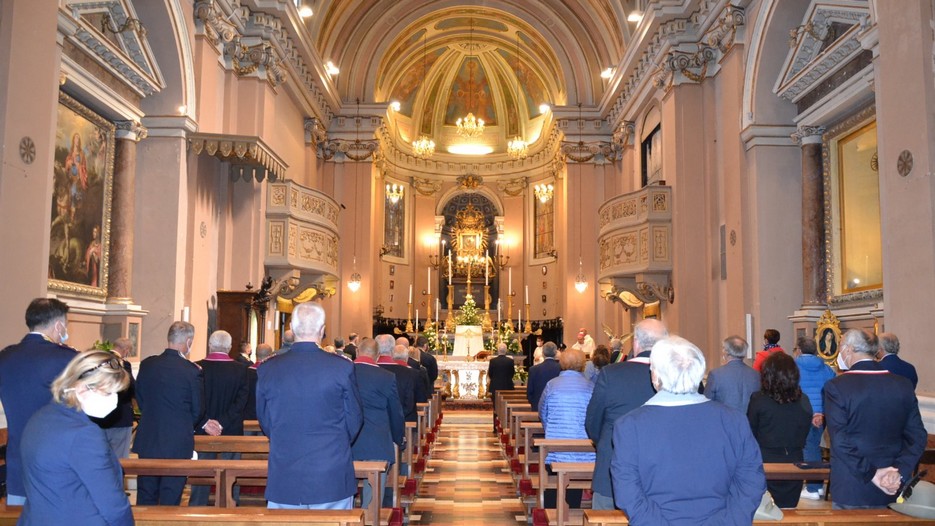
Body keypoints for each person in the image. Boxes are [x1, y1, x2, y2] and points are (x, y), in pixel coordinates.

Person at [612, 336, 766, 524]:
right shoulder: (734, 421)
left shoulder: (629, 425)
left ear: (655, 376)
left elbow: (627, 491)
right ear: (700, 373)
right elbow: (751, 483)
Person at [258, 302, 363, 509]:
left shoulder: (268, 368)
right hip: (330, 468)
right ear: (323, 330)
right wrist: (337, 441)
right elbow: (354, 418)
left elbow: (265, 420)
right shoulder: (341, 367)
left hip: (285, 469)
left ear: (293, 329)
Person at [19, 350, 132, 525]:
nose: (114, 401)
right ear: (82, 387)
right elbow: (113, 505)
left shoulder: (41, 416)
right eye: (108, 393)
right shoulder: (83, 434)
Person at [824, 329, 926, 509]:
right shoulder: (902, 384)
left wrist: (872, 474)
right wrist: (899, 472)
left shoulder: (837, 387)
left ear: (848, 350)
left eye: (840, 347)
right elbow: (918, 436)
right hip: (892, 484)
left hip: (853, 484)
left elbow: (840, 440)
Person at [133, 321, 221, 506]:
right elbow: (198, 410)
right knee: (170, 496)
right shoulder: (191, 371)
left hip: (149, 438)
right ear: (188, 341)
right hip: (177, 442)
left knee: (145, 495)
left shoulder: (147, 365)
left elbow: (140, 398)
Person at [0, 298, 77, 505]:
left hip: (17, 461)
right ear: (59, 325)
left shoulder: (5, 357)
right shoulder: (66, 359)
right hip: (57, 463)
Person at [585, 318, 667, 510]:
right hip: (663, 472)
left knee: (605, 518)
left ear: (636, 343)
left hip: (613, 467)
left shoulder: (611, 374)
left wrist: (606, 440)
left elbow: (592, 423)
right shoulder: (679, 375)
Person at [190, 330, 250, 506]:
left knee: (201, 470)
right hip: (231, 427)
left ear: (210, 345)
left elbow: (194, 400)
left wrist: (207, 422)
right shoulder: (241, 369)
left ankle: (197, 506)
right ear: (230, 347)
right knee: (231, 469)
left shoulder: (196, 367)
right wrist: (223, 422)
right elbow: (241, 402)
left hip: (203, 429)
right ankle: (230, 504)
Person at [747, 352, 813, 508]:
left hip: (765, 460)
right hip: (794, 460)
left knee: (765, 512)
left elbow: (750, 431)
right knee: (789, 509)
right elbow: (805, 429)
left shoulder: (759, 399)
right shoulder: (803, 400)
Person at [352, 338, 405, 509]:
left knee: (344, 492)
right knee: (372, 497)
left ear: (358, 351)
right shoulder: (386, 377)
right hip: (377, 441)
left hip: (345, 441)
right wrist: (398, 438)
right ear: (377, 356)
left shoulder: (343, 371)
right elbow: (395, 412)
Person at [538, 348, 595, 509]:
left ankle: (551, 509)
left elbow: (542, 412)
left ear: (561, 363)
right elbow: (594, 416)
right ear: (582, 365)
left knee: (554, 475)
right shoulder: (590, 386)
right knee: (575, 477)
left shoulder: (552, 385)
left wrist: (551, 428)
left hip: (557, 446)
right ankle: (573, 507)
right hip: (584, 449)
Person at [794, 337, 836, 500]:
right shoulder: (826, 368)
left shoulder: (793, 366)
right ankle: (815, 485)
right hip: (821, 415)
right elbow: (833, 390)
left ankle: (813, 487)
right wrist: (822, 412)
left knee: (808, 448)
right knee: (813, 446)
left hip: (802, 412)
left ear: (799, 350)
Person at [90, 337, 136, 459]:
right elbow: (130, 389)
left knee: (100, 457)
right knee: (120, 459)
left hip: (100, 418)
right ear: (126, 350)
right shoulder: (123, 364)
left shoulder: (99, 360)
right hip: (121, 417)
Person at [704, 335, 760, 414]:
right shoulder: (756, 375)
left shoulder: (716, 374)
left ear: (726, 351)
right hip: (749, 424)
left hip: (724, 423)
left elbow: (707, 403)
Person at [375, 335, 421, 423]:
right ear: (393, 349)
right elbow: (409, 403)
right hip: (401, 421)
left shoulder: (367, 370)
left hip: (373, 422)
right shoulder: (408, 372)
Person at [243, 343, 274, 431]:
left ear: (256, 355)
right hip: (267, 418)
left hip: (248, 417)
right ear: (270, 356)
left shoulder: (245, 373)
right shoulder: (272, 373)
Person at [487, 343, 516, 432]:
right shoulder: (510, 361)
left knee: (496, 407)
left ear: (498, 350)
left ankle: (495, 428)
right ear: (506, 350)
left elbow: (490, 374)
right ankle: (507, 426)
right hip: (508, 386)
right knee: (507, 407)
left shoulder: (493, 361)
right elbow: (512, 373)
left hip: (496, 387)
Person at [526, 341, 561, 410]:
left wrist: (534, 403)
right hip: (557, 406)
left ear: (543, 353)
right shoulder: (561, 368)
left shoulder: (533, 369)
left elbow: (529, 392)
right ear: (555, 353)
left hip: (538, 405)